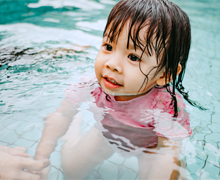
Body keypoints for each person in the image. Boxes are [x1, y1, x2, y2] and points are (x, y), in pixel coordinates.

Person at [34, 0, 193, 179]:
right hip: (106, 133)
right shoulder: (92, 86)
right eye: (108, 47)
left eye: (133, 57)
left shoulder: (165, 106)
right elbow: (62, 115)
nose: (112, 64)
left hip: (150, 148)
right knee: (71, 170)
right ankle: (72, 134)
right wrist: (41, 158)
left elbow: (168, 152)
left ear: (165, 74)